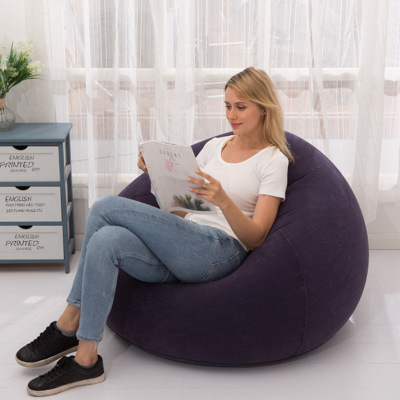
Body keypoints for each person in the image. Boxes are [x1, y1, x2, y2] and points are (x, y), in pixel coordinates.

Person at [15, 67, 293, 397]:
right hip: (187, 241)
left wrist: (223, 200)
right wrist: (157, 177)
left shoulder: (273, 160)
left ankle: (68, 323)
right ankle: (86, 360)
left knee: (105, 206)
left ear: (264, 108)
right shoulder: (214, 147)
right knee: (105, 240)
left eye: (241, 107)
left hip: (220, 251)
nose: (231, 115)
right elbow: (181, 211)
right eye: (227, 106)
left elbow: (257, 238)